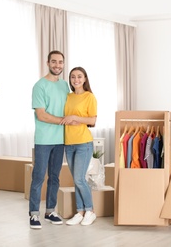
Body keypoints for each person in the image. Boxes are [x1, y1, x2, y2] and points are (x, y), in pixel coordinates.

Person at [29, 50, 70, 229]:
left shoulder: (65, 85)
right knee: (38, 176)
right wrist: (63, 121)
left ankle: (50, 211)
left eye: (60, 62)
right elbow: (41, 115)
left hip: (61, 139)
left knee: (55, 177)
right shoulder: (39, 86)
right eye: (54, 62)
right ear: (47, 63)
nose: (57, 65)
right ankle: (33, 214)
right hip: (44, 139)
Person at [60, 66, 98, 226]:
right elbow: (64, 117)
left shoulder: (89, 96)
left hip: (83, 142)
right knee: (76, 180)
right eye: (73, 77)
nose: (76, 79)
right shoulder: (68, 96)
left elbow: (92, 120)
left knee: (79, 178)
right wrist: (69, 118)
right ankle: (80, 212)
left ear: (85, 79)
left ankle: (90, 211)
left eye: (79, 76)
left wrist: (75, 117)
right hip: (69, 143)